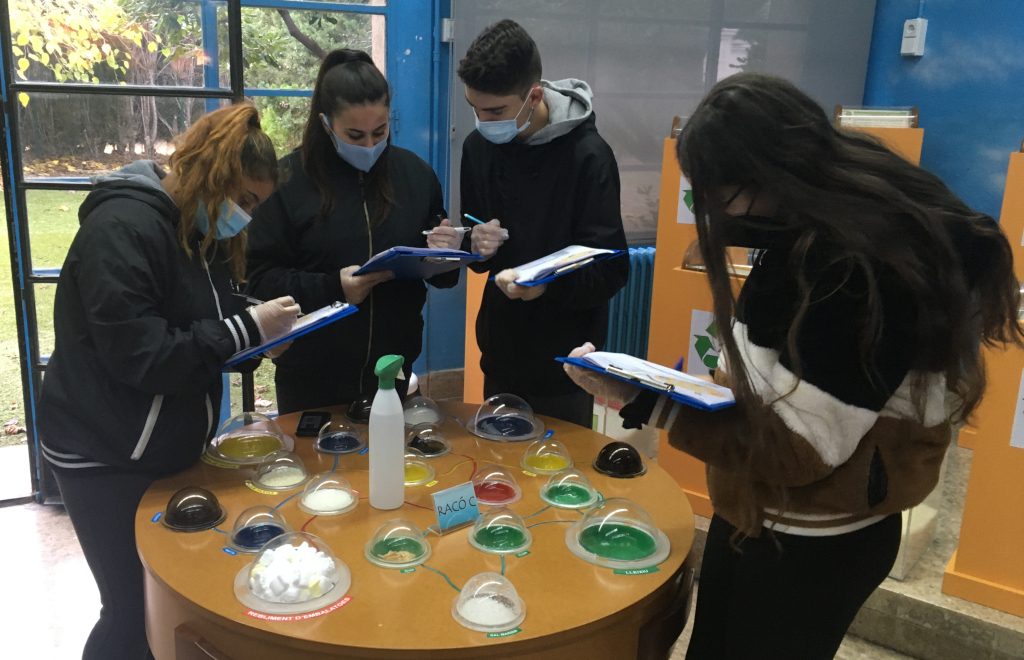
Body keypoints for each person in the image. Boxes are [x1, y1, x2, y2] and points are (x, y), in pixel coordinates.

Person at [564, 73, 1023, 659]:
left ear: (769, 175)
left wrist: (649, 403)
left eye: (718, 192)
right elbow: (775, 386)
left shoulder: (852, 272)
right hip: (760, 515)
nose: (712, 210)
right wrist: (652, 387)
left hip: (813, 541)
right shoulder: (808, 230)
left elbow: (798, 450)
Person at [37, 103, 299, 660]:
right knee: (130, 610)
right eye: (244, 199)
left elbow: (204, 323)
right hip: (103, 453)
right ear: (208, 173)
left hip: (157, 441)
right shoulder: (120, 229)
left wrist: (258, 337)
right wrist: (246, 328)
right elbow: (145, 357)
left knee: (164, 600)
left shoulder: (193, 229)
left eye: (255, 205)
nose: (245, 216)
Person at [246, 49, 462, 414]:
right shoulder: (287, 182)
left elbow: (441, 275)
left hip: (393, 369)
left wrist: (446, 252)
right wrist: (334, 288)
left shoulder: (415, 175)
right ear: (326, 123)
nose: (369, 146)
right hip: (310, 377)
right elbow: (259, 281)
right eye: (355, 135)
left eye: (380, 132)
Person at [458, 19, 628, 427]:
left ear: (533, 96)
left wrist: (546, 287)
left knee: (560, 463)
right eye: (474, 108)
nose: (483, 121)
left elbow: (611, 269)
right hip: (501, 352)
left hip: (566, 361)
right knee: (497, 459)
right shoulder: (478, 148)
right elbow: (477, 255)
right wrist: (471, 244)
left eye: (495, 111)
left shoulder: (588, 156)